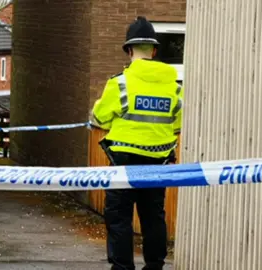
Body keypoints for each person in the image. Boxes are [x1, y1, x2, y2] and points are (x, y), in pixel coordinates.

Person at [90, 16, 183, 270]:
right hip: (158, 164)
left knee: (119, 218)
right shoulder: (174, 88)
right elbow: (176, 125)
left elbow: (98, 118)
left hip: (123, 163)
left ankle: (122, 268)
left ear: (129, 50)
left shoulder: (119, 83)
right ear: (154, 50)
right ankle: (154, 267)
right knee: (154, 218)